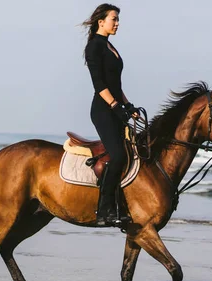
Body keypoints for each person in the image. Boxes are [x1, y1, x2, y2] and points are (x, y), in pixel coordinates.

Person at [83, 4, 137, 227]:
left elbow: (116, 84)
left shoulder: (110, 46)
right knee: (117, 156)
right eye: (113, 19)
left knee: (132, 153)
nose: (117, 23)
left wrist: (128, 105)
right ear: (100, 21)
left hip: (115, 107)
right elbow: (99, 85)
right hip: (103, 110)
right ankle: (104, 210)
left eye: (117, 19)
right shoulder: (94, 47)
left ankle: (122, 205)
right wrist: (115, 105)